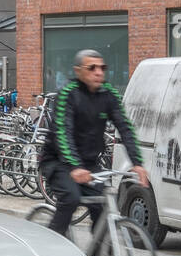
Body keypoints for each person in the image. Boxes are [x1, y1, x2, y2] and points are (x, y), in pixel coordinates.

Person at [39, 50, 150, 235]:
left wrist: (137, 163)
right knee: (71, 199)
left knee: (105, 204)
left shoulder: (109, 94)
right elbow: (62, 133)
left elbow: (125, 128)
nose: (98, 72)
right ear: (78, 71)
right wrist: (74, 166)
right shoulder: (67, 95)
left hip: (89, 164)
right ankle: (53, 248)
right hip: (59, 162)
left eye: (102, 68)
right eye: (92, 68)